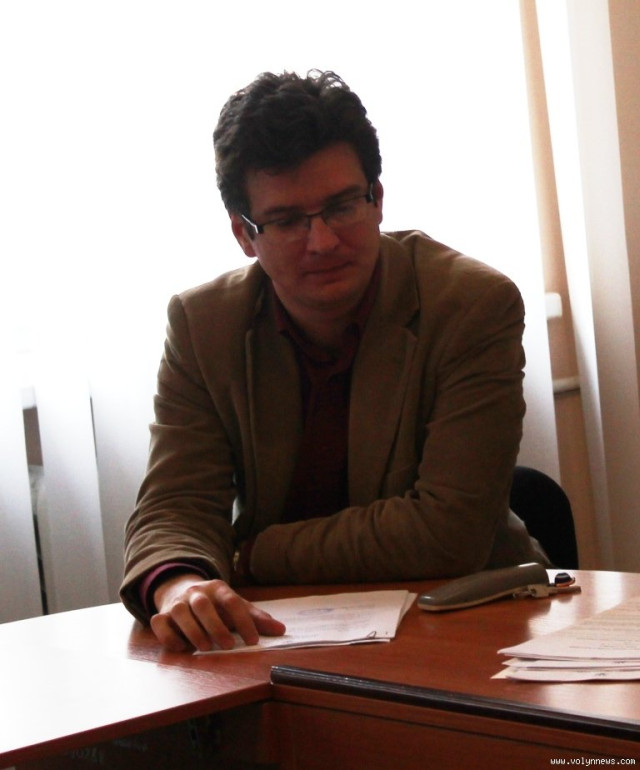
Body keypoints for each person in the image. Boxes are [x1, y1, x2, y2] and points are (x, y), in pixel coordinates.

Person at [120, 69, 547, 652]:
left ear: (377, 200)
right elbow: (176, 503)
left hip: (466, 621)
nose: (322, 241)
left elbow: (448, 532)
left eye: (342, 206)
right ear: (244, 234)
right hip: (282, 635)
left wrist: (249, 552)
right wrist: (181, 583)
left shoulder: (471, 305)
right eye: (287, 221)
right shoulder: (203, 325)